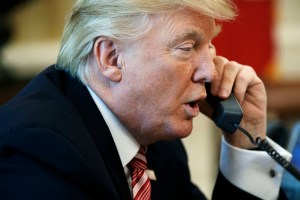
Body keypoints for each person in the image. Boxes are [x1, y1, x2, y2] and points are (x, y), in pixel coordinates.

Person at [0, 0, 292, 199]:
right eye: (187, 47)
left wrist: (248, 137)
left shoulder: (156, 139)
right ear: (111, 58)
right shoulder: (40, 149)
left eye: (210, 45)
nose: (209, 71)